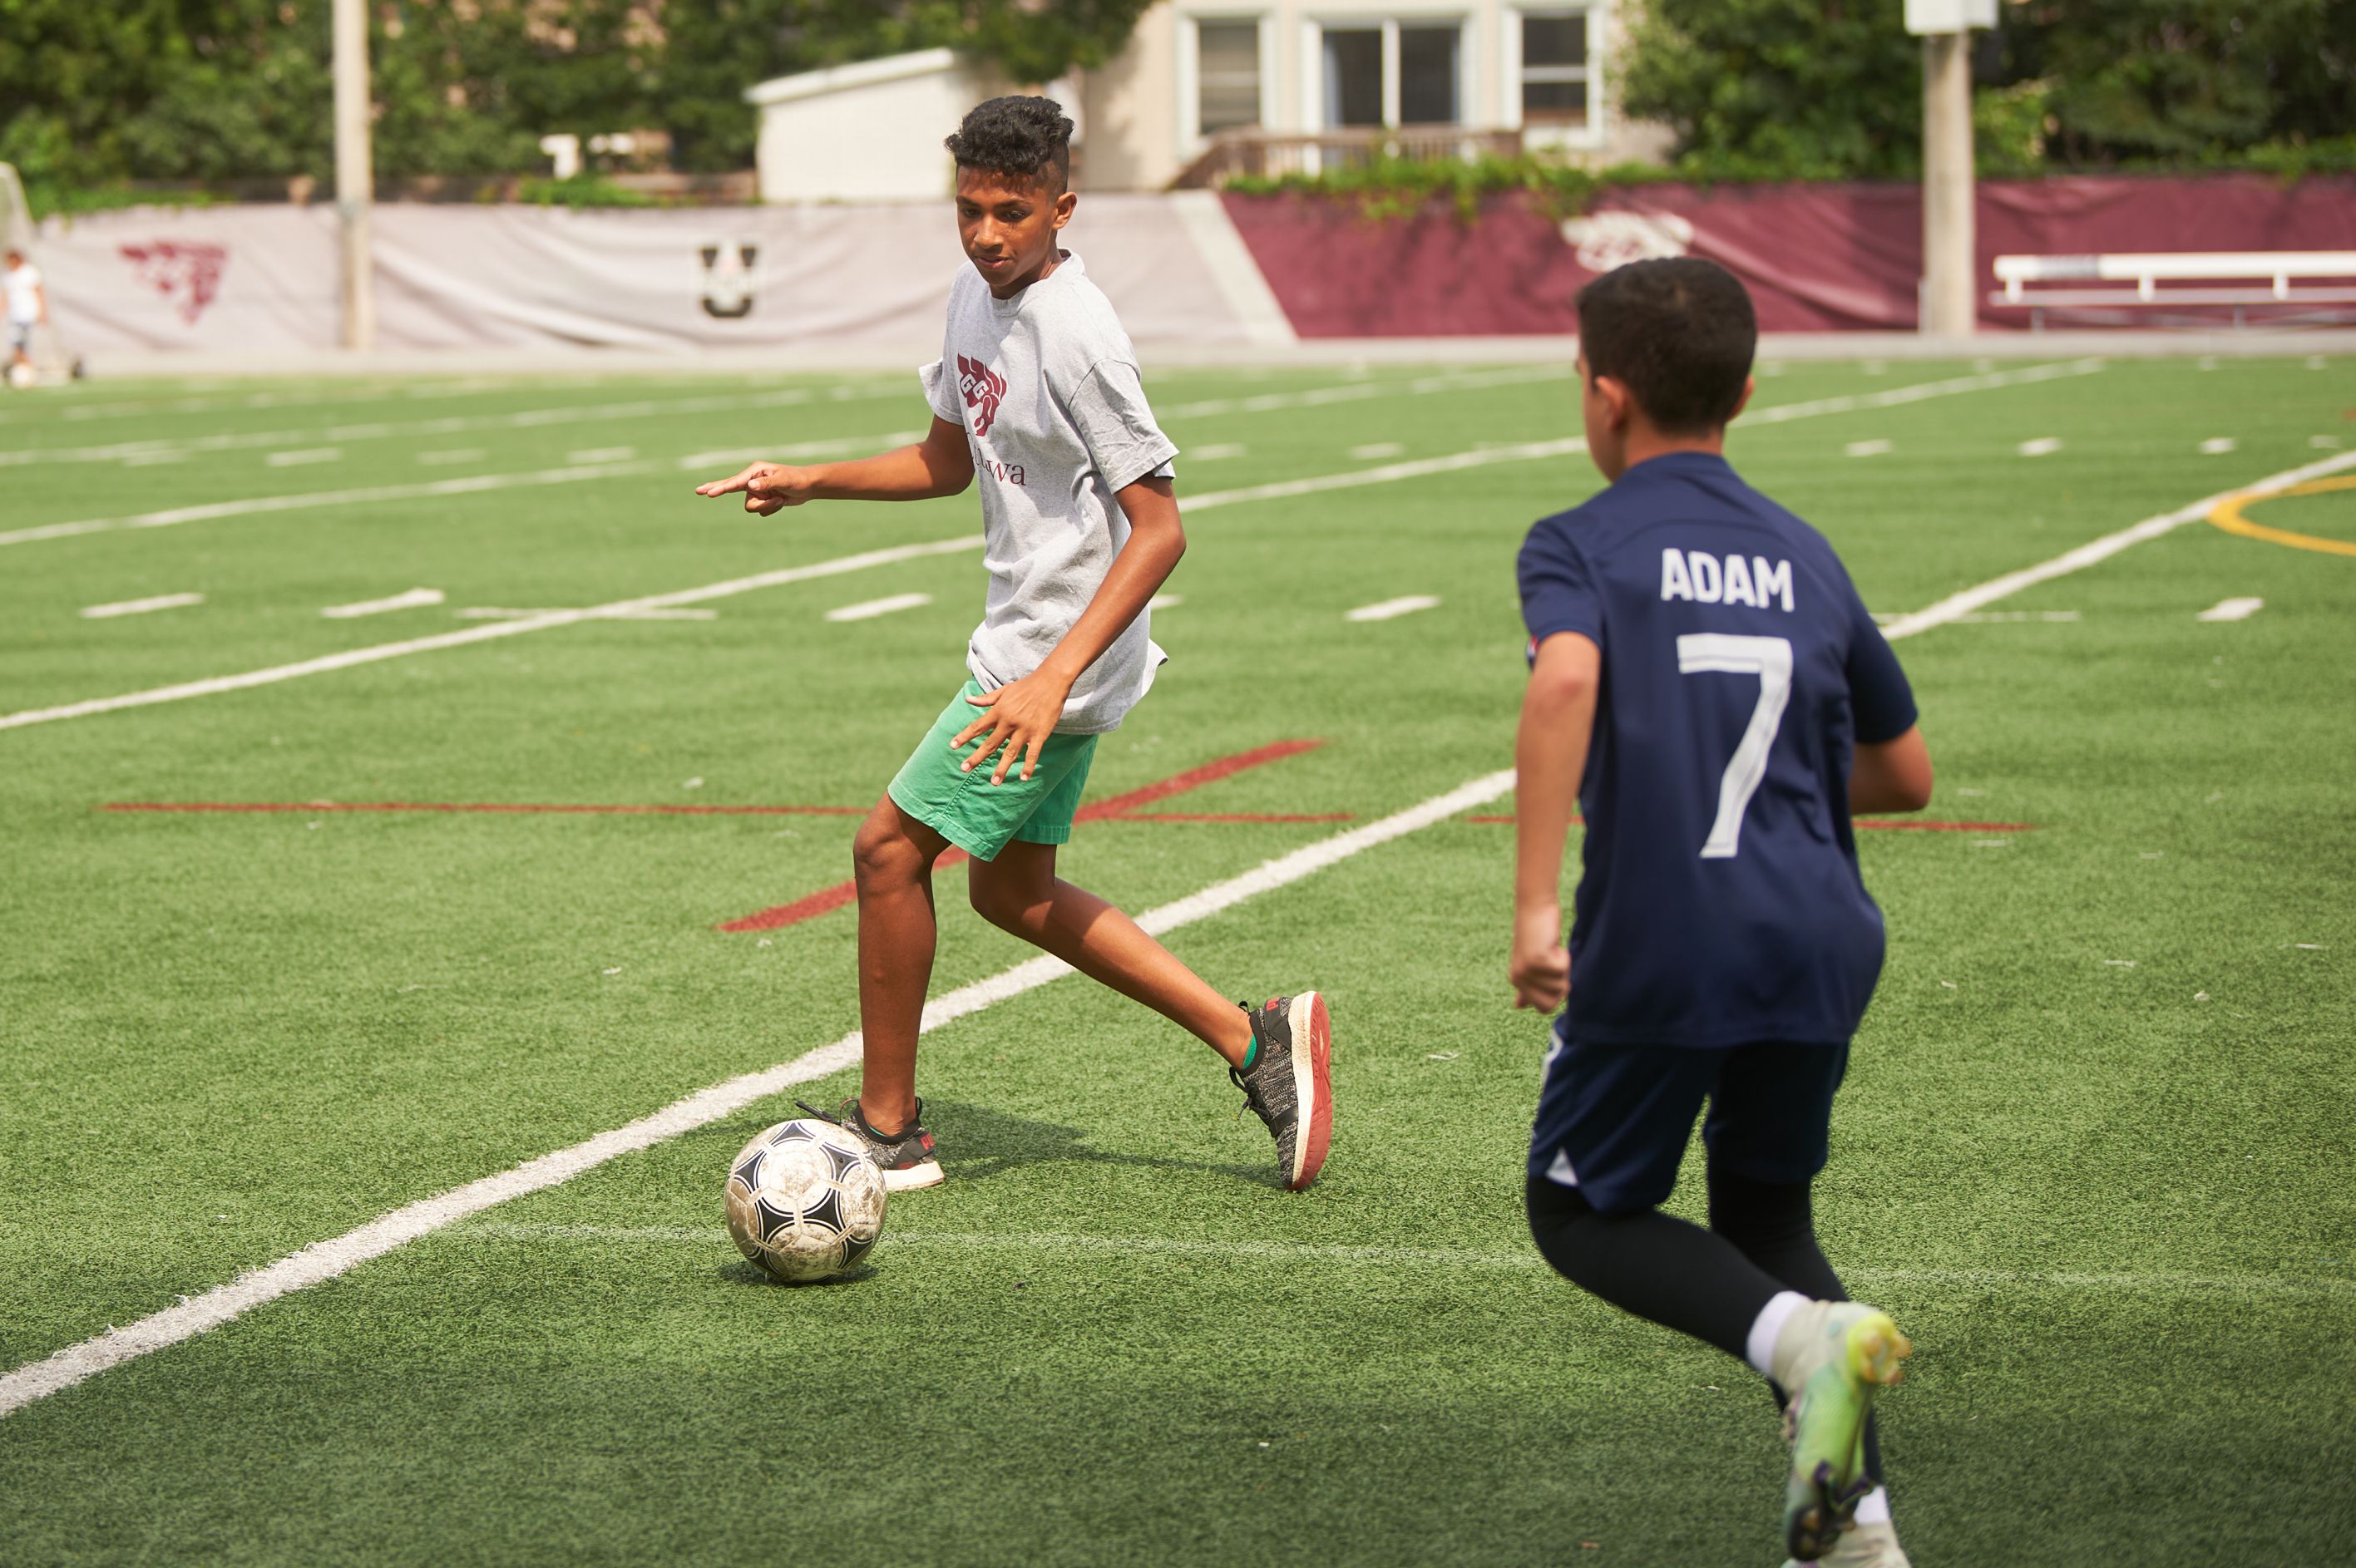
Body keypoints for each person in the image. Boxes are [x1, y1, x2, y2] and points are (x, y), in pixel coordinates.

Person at [694, 96, 1331, 1194]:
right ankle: (1255, 1038)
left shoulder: (1077, 334)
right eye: (970, 211)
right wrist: (813, 479)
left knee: (887, 851)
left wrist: (1049, 679)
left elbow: (1162, 525)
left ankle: (887, 1131)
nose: (987, 234)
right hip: (1032, 644)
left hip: (1054, 654)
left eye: (1012, 213)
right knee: (1012, 891)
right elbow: (949, 460)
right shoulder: (970, 293)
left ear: (1061, 207)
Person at [1509, 258, 1934, 1568]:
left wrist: (1534, 905)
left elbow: (1566, 679)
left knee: (1576, 1210)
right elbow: (1906, 773)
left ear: (1603, 393)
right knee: (1764, 1217)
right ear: (1744, 392)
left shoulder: (1581, 540)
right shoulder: (1803, 548)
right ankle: (1857, 1527)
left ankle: (1801, 1341)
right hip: (1820, 929)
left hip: (1669, 934)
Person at [4, 247, 47, 378]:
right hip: (14, 315)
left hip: (27, 314)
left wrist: (42, 311)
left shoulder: (29, 272)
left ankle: (28, 371)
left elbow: (39, 291)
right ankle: (24, 371)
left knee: (23, 344)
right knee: (16, 344)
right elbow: (5, 296)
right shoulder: (7, 275)